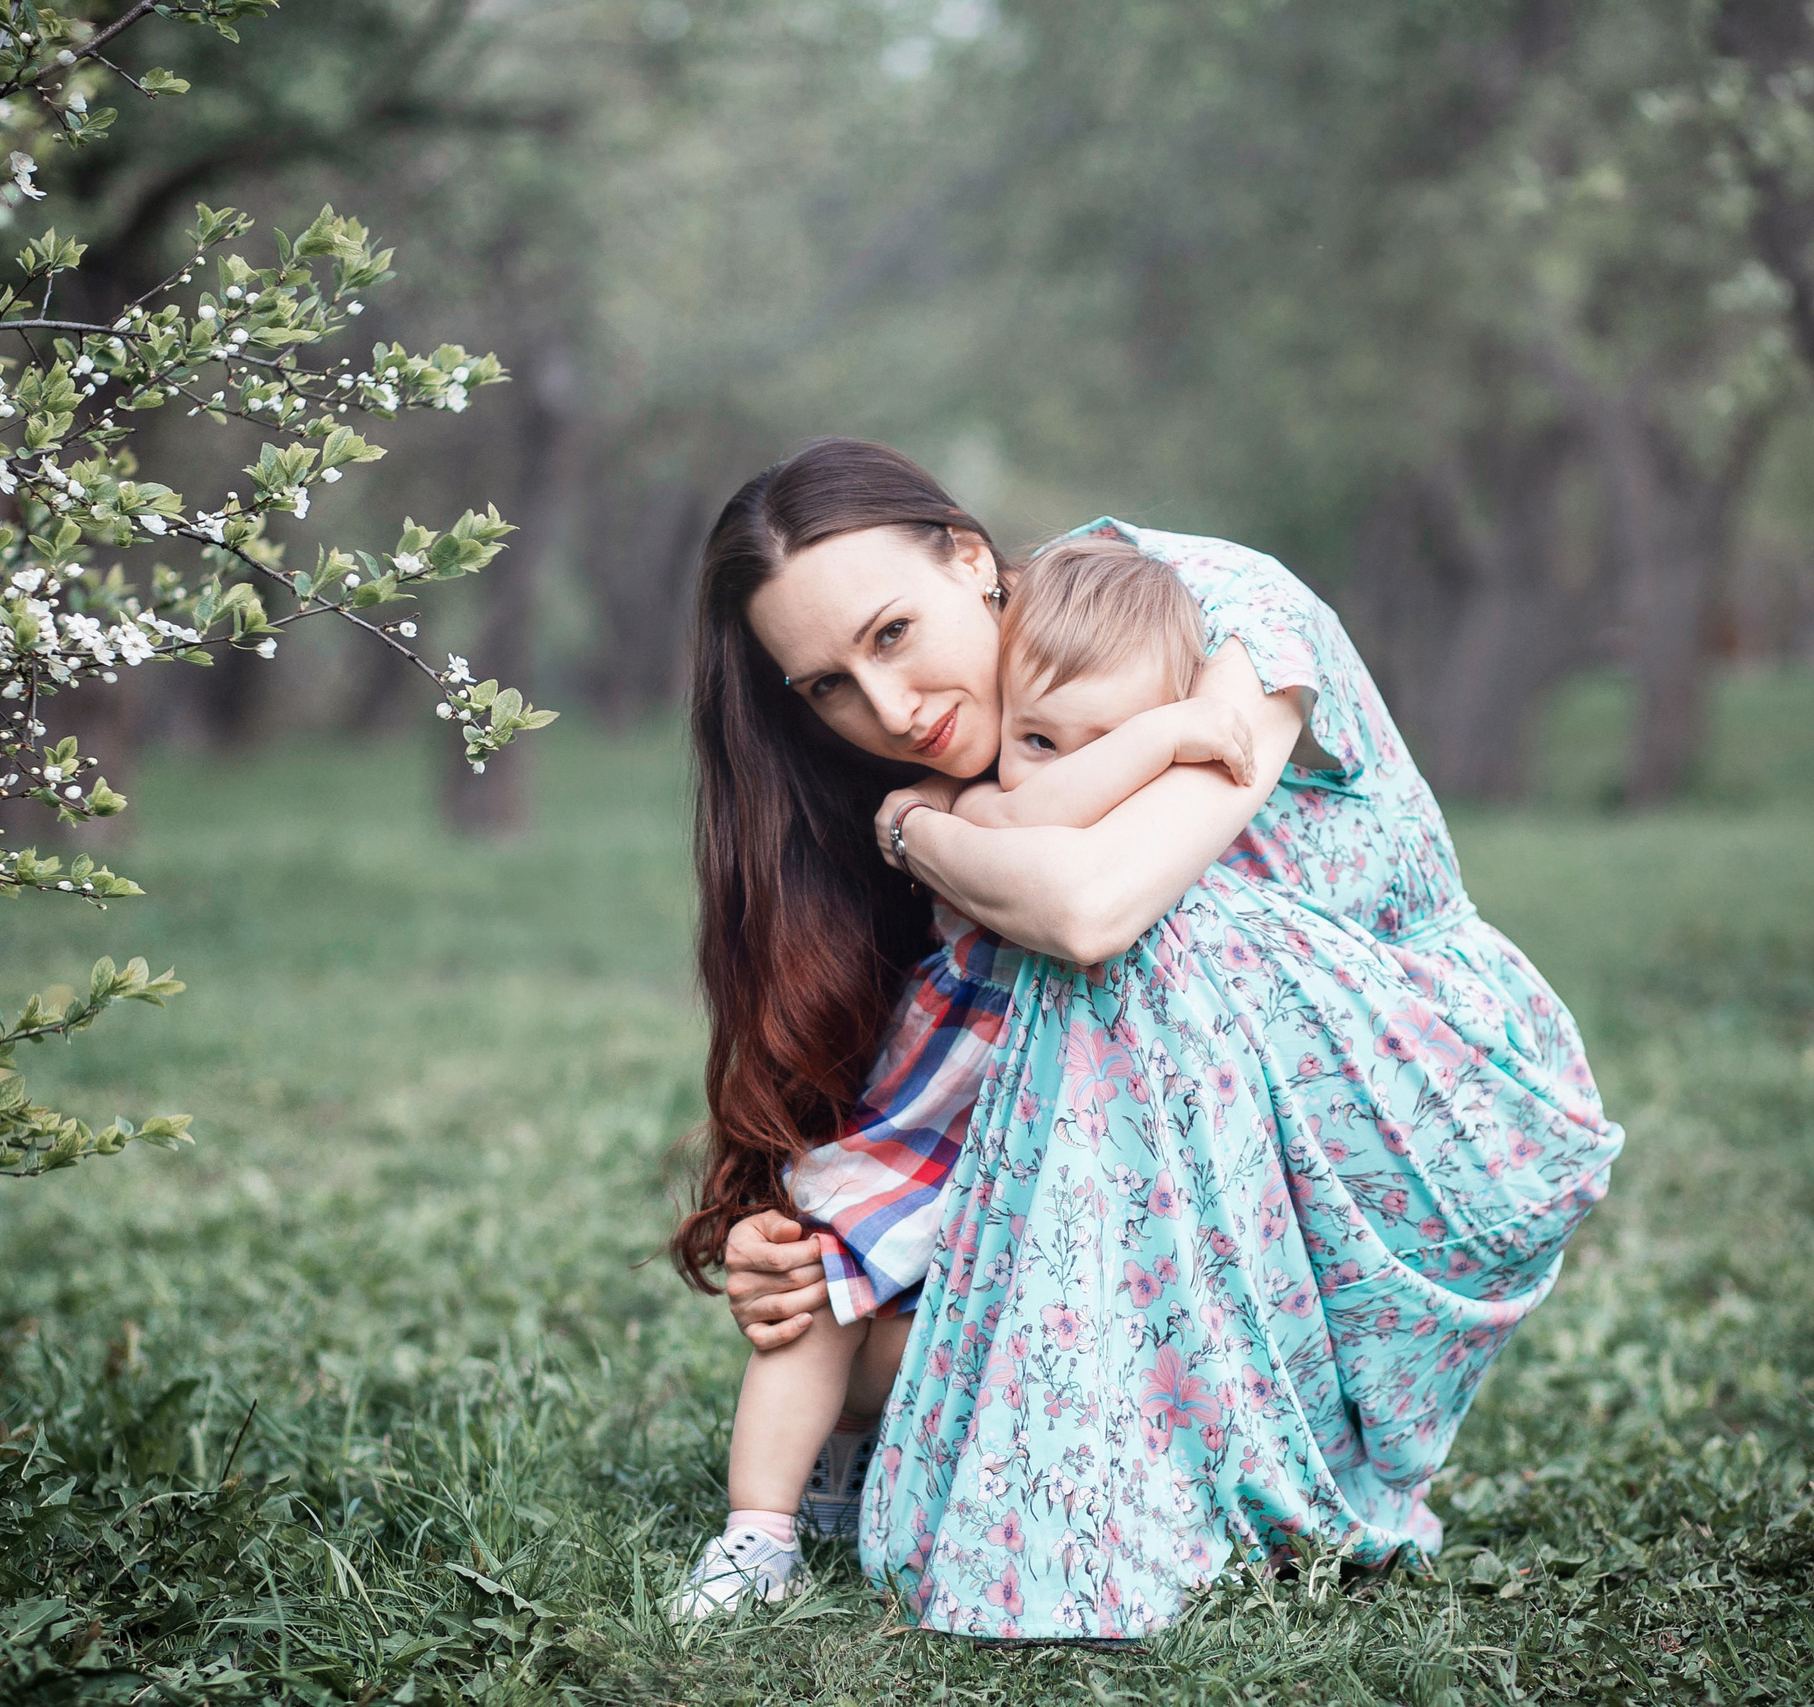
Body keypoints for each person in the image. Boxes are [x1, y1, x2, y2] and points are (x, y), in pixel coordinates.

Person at [676, 439, 1624, 1639]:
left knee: (1148, 930)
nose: (889, 709)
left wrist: (915, 828)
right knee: (853, 1306)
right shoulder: (930, 770)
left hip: (1420, 1084)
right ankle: (846, 1455)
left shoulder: (1212, 613)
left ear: (970, 557)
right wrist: (788, 1246)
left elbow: (1088, 912)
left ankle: (1169, 1467)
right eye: (826, 687)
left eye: (892, 634)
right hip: (1147, 1124)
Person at [671, 540, 1261, 1619]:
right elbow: (1047, 823)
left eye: (892, 634)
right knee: (823, 1289)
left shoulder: (1156, 816)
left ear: (972, 565)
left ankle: (862, 1449)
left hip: (1051, 1138)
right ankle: (758, 1532)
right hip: (936, 1123)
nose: (1048, 763)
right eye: (1035, 737)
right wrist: (1166, 738)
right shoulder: (972, 802)